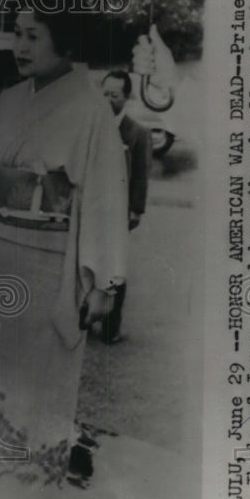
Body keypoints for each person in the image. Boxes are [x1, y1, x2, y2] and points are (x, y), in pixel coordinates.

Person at [0, 0, 128, 499]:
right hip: (5, 255)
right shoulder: (8, 100)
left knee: (43, 395)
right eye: (17, 33)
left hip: (54, 264)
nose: (20, 45)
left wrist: (102, 280)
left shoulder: (89, 108)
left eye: (33, 35)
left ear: (65, 41)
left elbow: (105, 197)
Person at [100, 69, 153, 344]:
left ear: (127, 97)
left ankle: (111, 326)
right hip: (91, 206)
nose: (108, 100)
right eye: (104, 94)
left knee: (114, 267)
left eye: (114, 95)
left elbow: (142, 174)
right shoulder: (92, 125)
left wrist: (136, 209)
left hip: (119, 210)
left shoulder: (138, 132)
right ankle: (84, 317)